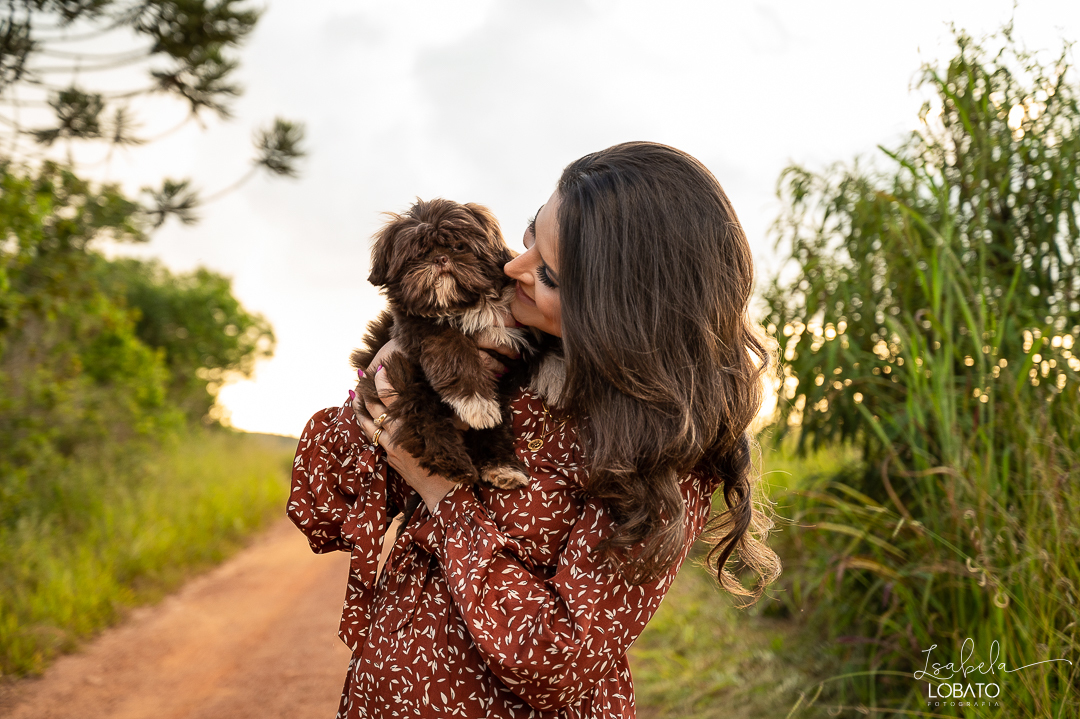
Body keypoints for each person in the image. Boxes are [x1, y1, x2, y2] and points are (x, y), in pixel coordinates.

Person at [288, 141, 782, 719]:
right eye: (528, 237)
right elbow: (322, 508)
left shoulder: (661, 452)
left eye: (547, 273)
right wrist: (391, 367)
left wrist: (441, 494)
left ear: (616, 310)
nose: (513, 268)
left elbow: (556, 662)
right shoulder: (499, 359)